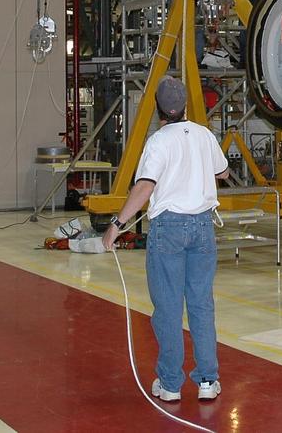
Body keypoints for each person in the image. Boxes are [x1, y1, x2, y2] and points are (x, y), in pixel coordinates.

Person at [103, 76, 229, 403]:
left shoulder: (158, 141)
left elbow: (145, 186)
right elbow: (224, 172)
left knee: (169, 308)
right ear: (185, 104)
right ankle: (206, 380)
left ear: (160, 109)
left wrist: (117, 224)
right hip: (202, 227)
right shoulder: (203, 135)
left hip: (169, 230)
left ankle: (171, 384)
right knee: (201, 304)